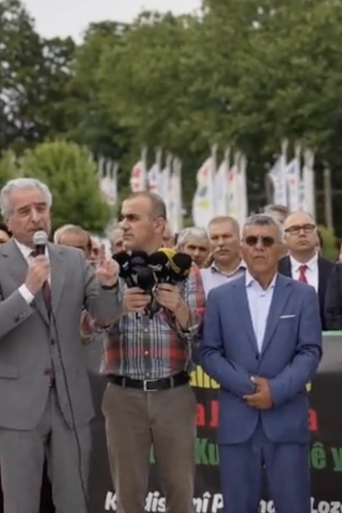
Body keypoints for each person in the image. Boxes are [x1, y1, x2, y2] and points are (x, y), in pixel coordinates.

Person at [0, 178, 122, 513]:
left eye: (41, 208)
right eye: (25, 211)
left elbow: (104, 317)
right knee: (21, 502)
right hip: (15, 402)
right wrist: (26, 291)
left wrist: (110, 286)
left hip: (70, 399)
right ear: (8, 220)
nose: (36, 217)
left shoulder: (72, 260)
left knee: (75, 500)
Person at [200, 213, 323, 513]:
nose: (258, 247)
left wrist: (276, 391)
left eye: (267, 241)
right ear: (242, 247)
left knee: (294, 506)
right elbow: (208, 352)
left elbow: (310, 351)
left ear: (282, 248)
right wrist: (249, 387)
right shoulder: (219, 297)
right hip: (237, 421)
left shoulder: (304, 295)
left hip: (286, 420)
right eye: (251, 240)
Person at [100, 192, 204, 513]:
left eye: (132, 217)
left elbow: (198, 332)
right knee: (128, 498)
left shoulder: (187, 271)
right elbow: (86, 329)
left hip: (173, 394)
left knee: (180, 494)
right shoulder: (109, 272)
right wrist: (116, 307)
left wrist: (179, 308)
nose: (123, 225)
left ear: (158, 224)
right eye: (122, 218)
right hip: (122, 395)